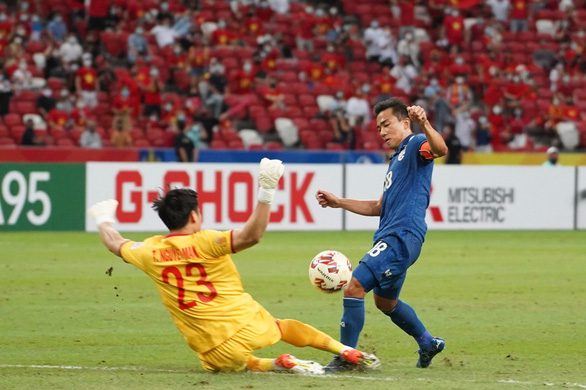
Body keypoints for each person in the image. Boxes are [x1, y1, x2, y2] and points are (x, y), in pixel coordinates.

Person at [87, 159, 380, 374]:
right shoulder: (206, 241)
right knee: (280, 326)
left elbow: (115, 243)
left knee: (241, 364)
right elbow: (251, 236)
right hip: (245, 324)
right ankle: (345, 350)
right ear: (193, 216)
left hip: (211, 349)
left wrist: (103, 219)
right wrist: (266, 190)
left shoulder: (149, 250)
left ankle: (277, 364)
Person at [315, 98, 448, 372]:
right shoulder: (396, 160)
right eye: (378, 128)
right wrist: (338, 202)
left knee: (354, 286)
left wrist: (424, 122)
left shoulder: (415, 144)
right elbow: (378, 207)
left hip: (400, 237)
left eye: (386, 124)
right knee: (385, 302)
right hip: (395, 237)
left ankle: (346, 358)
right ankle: (427, 342)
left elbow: (440, 149)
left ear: (405, 122)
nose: (382, 132)